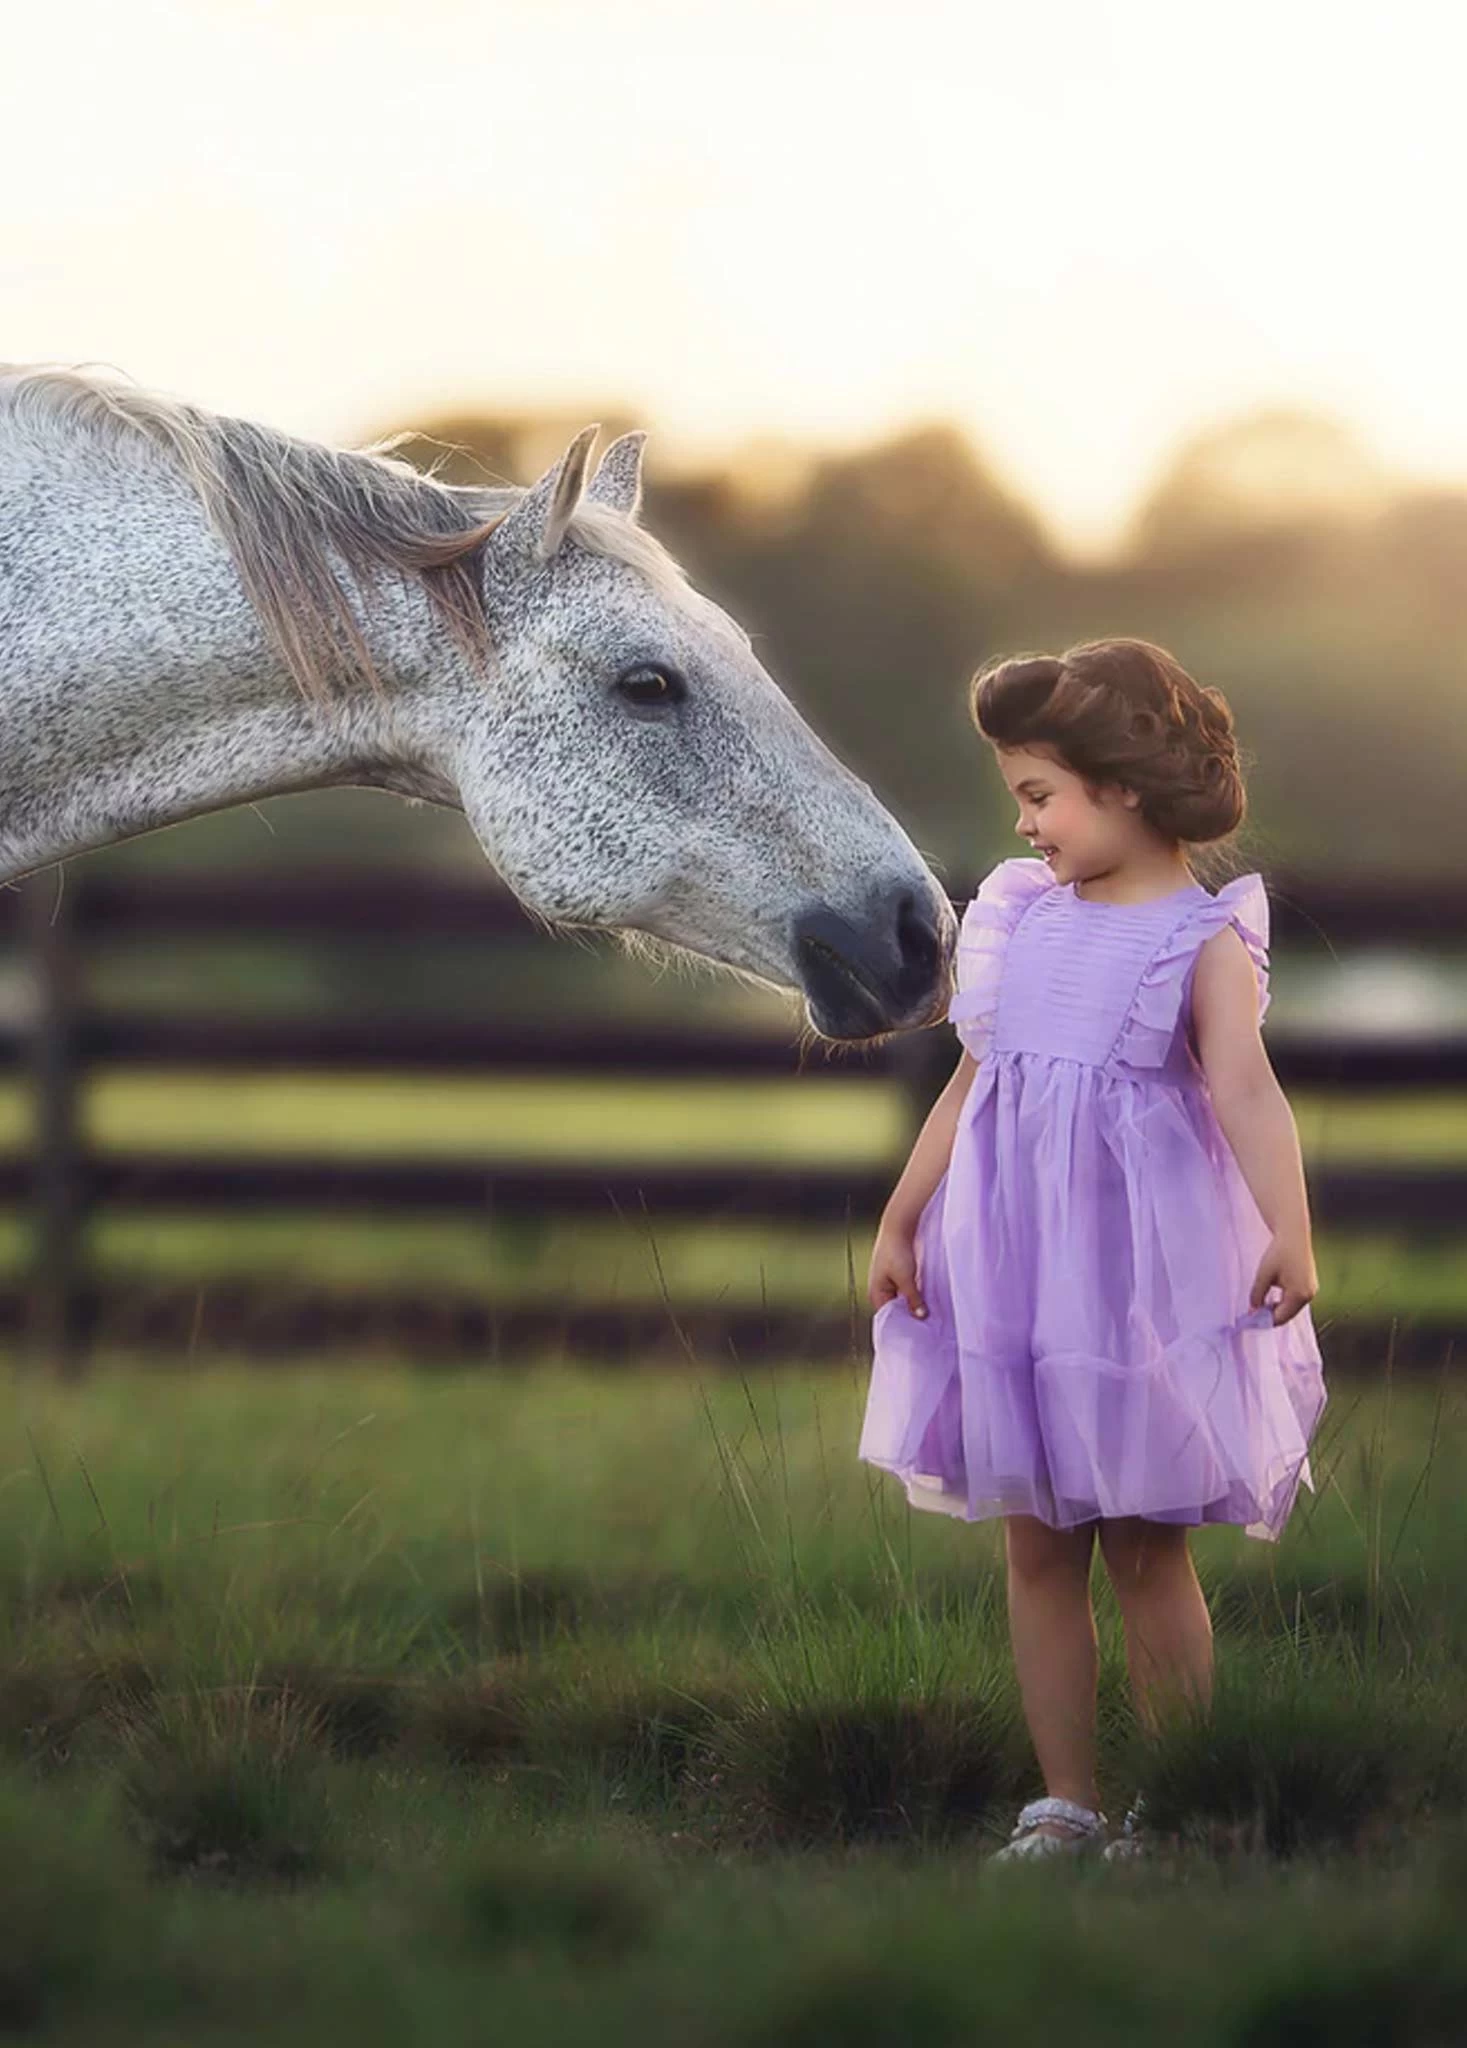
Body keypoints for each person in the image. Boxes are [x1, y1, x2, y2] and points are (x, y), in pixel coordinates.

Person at [859, 638, 1325, 1865]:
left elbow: (1247, 1090)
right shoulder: (1020, 920)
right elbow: (972, 1082)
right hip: (1013, 1269)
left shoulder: (1201, 937)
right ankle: (1065, 1799)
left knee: (1143, 1542)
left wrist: (1292, 1225)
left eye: (1037, 795)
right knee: (1037, 1539)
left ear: (1121, 784)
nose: (1024, 826)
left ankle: (1175, 1802)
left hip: (1132, 1287)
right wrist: (903, 1214)